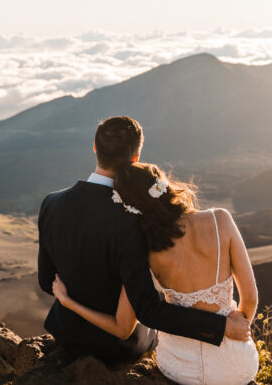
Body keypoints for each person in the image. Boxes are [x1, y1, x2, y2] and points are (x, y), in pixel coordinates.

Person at [37, 116, 251, 363]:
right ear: (136, 158)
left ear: (95, 148)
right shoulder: (134, 220)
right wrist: (219, 325)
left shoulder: (51, 203)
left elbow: (45, 281)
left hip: (65, 334)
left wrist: (70, 299)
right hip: (116, 349)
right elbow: (148, 310)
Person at [52, 160, 259, 385]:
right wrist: (238, 331)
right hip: (237, 370)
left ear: (130, 207)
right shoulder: (220, 219)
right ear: (162, 183)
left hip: (181, 371)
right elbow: (250, 298)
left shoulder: (142, 250)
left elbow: (123, 328)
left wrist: (67, 301)